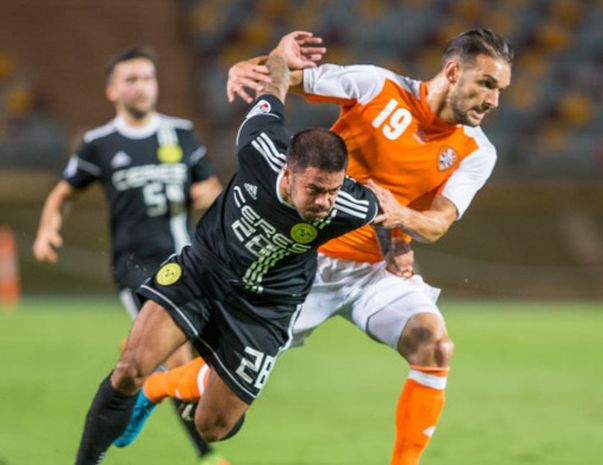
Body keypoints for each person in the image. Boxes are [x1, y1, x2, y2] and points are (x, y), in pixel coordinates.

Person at [137, 28, 513, 465]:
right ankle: (157, 387)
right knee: (220, 406)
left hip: (374, 271)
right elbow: (289, 78)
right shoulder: (377, 85)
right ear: (452, 71)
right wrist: (253, 66)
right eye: (487, 84)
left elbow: (439, 222)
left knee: (434, 345)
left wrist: (400, 216)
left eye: (500, 90)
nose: (494, 101)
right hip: (302, 263)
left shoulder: (477, 151)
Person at [72, 32, 380, 465]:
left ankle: (169, 387)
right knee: (128, 370)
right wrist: (278, 55)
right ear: (288, 174)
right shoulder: (257, 143)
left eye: (332, 190)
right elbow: (274, 87)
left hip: (267, 309)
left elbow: (391, 213)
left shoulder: (351, 204)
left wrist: (402, 246)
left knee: (214, 425)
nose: (325, 202)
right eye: (315, 190)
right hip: (202, 272)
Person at [32, 46, 227, 464]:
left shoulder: (181, 132)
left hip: (185, 262)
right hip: (134, 268)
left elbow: (211, 188)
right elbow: (64, 191)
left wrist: (204, 194)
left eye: (148, 78)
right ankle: (206, 455)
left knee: (182, 358)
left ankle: (144, 366)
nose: (141, 87)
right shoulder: (100, 143)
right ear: (112, 90)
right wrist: (49, 227)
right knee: (179, 357)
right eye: (131, 79)